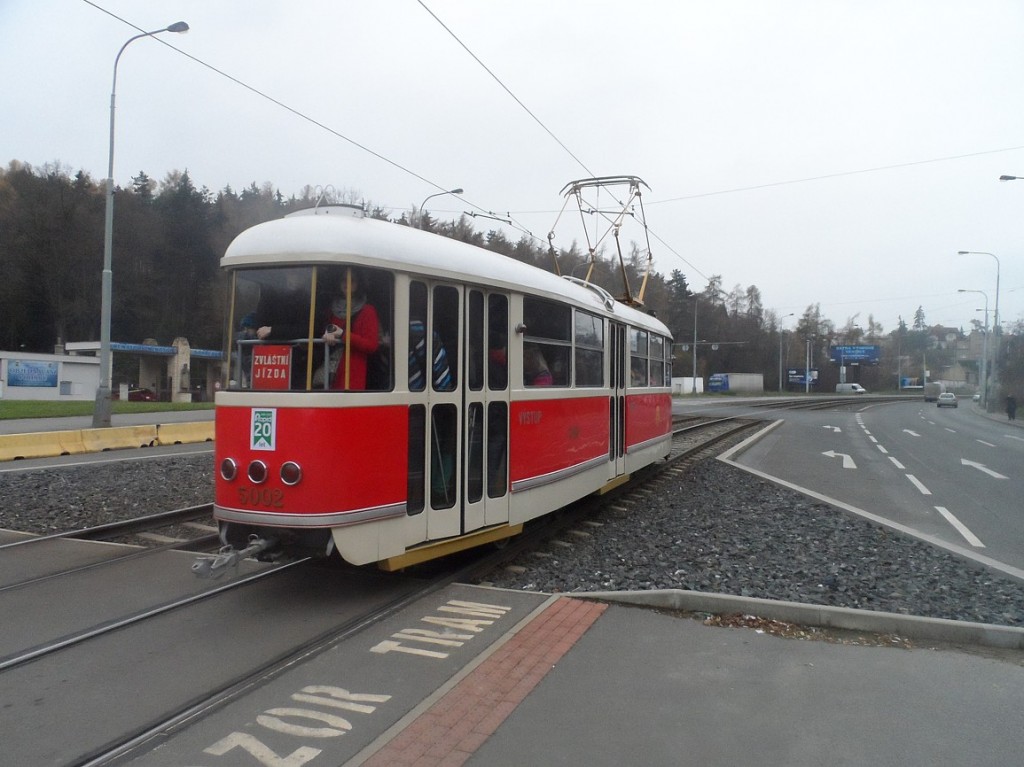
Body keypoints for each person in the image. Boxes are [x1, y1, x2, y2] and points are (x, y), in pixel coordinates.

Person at [320, 271, 380, 391]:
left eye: (352, 280)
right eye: (343, 280)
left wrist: (342, 334)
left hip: (353, 373)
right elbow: (323, 329)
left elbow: (372, 345)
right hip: (330, 370)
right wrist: (327, 333)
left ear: (359, 284)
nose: (346, 283)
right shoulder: (331, 309)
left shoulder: (367, 310)